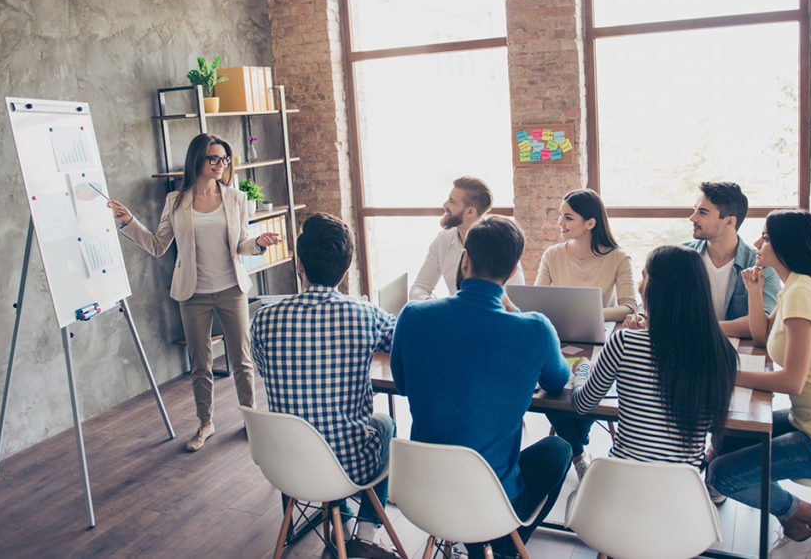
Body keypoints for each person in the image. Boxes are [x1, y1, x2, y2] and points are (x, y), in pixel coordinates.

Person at [392, 216, 571, 558]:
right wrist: (515, 311)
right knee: (559, 449)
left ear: (465, 259)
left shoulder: (412, 315)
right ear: (514, 268)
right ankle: (503, 545)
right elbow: (557, 380)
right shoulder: (534, 329)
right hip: (490, 500)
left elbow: (402, 385)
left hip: (420, 493)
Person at [707, 210, 811, 556]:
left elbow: (792, 381)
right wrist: (753, 292)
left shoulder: (803, 293)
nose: (757, 243)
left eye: (766, 237)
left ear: (788, 246)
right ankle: (796, 522)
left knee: (721, 475)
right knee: (726, 435)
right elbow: (762, 335)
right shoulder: (796, 286)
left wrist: (726, 374)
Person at [109, 133, 280, 452]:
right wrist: (129, 222)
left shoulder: (236, 199)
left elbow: (241, 244)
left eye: (224, 159)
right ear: (197, 161)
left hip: (232, 289)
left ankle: (251, 420)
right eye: (213, 158)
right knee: (200, 362)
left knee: (242, 360)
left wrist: (257, 244)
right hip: (192, 293)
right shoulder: (176, 201)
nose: (220, 165)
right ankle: (205, 423)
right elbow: (159, 246)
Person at [251, 213, 399, 559]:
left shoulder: (264, 318)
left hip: (285, 464)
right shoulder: (367, 315)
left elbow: (262, 367)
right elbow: (402, 344)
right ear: (346, 269)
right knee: (386, 424)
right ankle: (364, 533)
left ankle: (340, 529)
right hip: (349, 465)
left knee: (305, 421)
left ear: (299, 265)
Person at [570, 245, 737, 467]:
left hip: (621, 481)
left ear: (658, 290)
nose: (640, 286)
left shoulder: (624, 342)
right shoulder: (721, 351)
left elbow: (583, 405)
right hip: (684, 490)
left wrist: (584, 368)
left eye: (644, 277)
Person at [535, 188, 635, 477]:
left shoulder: (618, 258)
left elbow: (629, 307)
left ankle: (575, 440)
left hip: (601, 341)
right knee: (549, 388)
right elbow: (538, 298)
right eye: (560, 217)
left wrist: (589, 312)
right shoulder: (552, 254)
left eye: (568, 217)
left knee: (586, 390)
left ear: (590, 223)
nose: (560, 223)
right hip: (561, 338)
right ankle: (579, 451)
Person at [685, 181, 780, 334]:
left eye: (702, 212)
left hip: (741, 353)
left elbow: (765, 322)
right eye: (695, 210)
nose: (692, 218)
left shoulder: (762, 265)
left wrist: (702, 328)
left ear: (730, 221)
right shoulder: (680, 257)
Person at [409, 176, 524, 301]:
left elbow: (516, 299)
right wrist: (432, 303)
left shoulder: (501, 243)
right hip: (452, 315)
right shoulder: (442, 241)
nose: (445, 205)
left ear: (470, 211)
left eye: (452, 202)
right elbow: (419, 288)